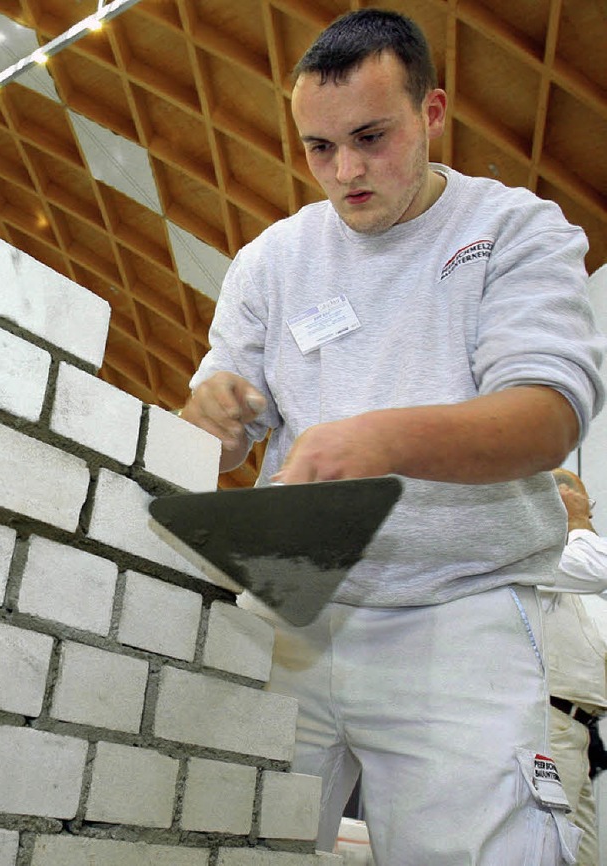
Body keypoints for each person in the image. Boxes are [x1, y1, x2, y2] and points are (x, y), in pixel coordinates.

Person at [181, 8, 605, 864]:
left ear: (433, 112)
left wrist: (380, 441)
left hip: (458, 614)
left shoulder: (514, 231)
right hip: (291, 612)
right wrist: (212, 420)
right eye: (319, 148)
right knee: (219, 837)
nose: (346, 171)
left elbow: (547, 411)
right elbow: (212, 435)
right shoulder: (272, 258)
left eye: (371, 137)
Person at [541, 468, 607, 865]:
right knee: (552, 850)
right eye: (580, 504)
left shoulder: (582, 576)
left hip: (581, 732)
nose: (588, 516)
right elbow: (596, 565)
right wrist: (578, 522)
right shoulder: (543, 561)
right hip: (550, 725)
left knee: (582, 856)